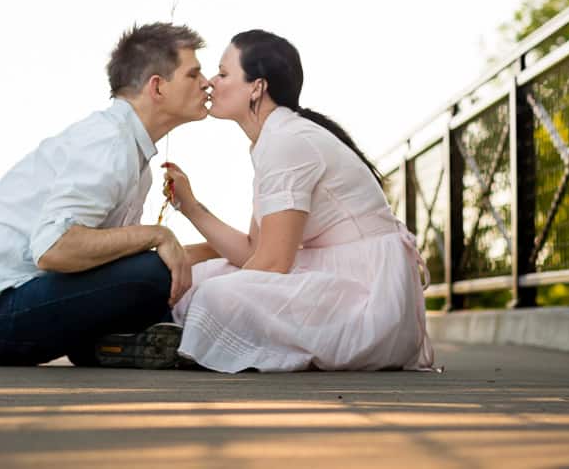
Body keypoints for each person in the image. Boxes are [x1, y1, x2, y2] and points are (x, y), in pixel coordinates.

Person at [0, 22, 209, 368]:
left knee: (156, 274)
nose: (206, 83)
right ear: (157, 87)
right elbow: (53, 248)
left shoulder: (132, 155)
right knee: (152, 274)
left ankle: (104, 345)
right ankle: (114, 340)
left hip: (7, 307)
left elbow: (111, 259)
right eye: (194, 75)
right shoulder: (108, 143)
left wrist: (226, 249)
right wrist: (158, 234)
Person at [165, 29, 435, 372]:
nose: (209, 83)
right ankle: (172, 338)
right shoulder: (273, 139)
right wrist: (191, 207)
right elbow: (254, 251)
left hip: (368, 297)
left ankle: (182, 341)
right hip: (334, 272)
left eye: (222, 73)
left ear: (257, 87)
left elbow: (273, 263)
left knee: (213, 295)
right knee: (199, 278)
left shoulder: (287, 141)